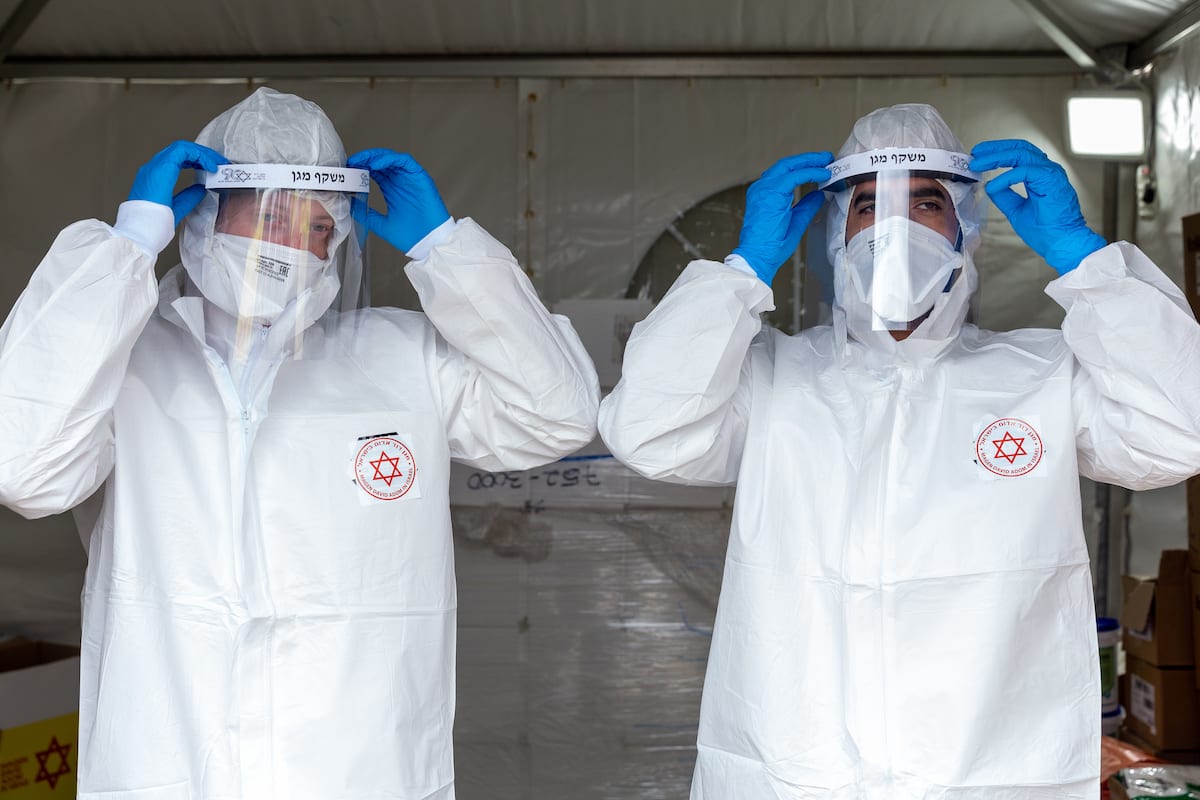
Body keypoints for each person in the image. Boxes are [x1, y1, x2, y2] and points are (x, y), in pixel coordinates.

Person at [0, 87, 599, 799]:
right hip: (170, 766)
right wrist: (126, 245)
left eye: (318, 228)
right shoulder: (119, 359)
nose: (289, 246)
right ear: (202, 214)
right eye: (272, 214)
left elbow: (556, 413)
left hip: (356, 771)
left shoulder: (399, 358)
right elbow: (23, 467)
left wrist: (448, 249)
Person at [598, 103, 1200, 797]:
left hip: (991, 775)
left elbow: (1180, 432)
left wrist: (1089, 265)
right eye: (867, 207)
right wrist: (739, 273)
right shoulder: (772, 379)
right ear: (835, 231)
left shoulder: (1041, 376)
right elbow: (645, 430)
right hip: (797, 773)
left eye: (925, 203)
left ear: (964, 228)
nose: (895, 226)